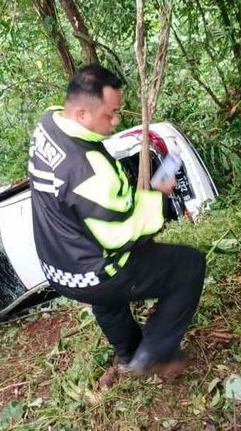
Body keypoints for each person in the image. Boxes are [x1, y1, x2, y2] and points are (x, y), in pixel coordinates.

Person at [28, 64, 207, 376]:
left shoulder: (48, 124)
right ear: (81, 114)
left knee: (107, 300)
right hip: (93, 271)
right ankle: (155, 355)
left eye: (117, 111)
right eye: (109, 114)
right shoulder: (88, 170)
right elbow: (121, 235)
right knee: (188, 266)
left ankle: (128, 354)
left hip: (59, 268)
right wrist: (158, 195)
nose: (116, 121)